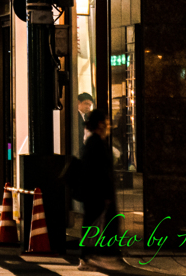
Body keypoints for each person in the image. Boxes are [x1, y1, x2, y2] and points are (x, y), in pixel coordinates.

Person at [78, 109, 123, 271]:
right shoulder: (97, 143)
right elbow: (101, 171)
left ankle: (90, 256)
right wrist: (107, 193)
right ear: (100, 124)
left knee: (93, 225)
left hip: (94, 193)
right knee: (98, 225)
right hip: (98, 194)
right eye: (107, 122)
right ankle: (95, 256)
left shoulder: (93, 142)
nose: (110, 125)